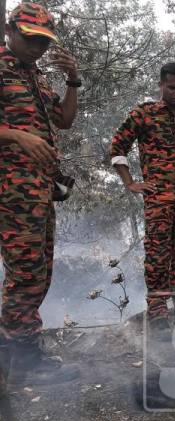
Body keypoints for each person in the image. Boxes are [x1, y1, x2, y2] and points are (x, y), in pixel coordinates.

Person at [0, 2, 81, 384]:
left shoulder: (37, 78)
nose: (37, 47)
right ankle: (22, 360)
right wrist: (15, 135)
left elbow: (64, 121)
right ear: (10, 29)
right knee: (25, 275)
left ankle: (18, 350)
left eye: (44, 42)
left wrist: (73, 81)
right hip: (10, 190)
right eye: (30, 38)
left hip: (38, 192)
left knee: (39, 273)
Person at [110, 62, 175, 340]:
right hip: (158, 199)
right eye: (172, 87)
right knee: (157, 255)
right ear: (160, 85)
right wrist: (130, 182)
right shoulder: (143, 114)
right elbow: (118, 145)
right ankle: (157, 311)